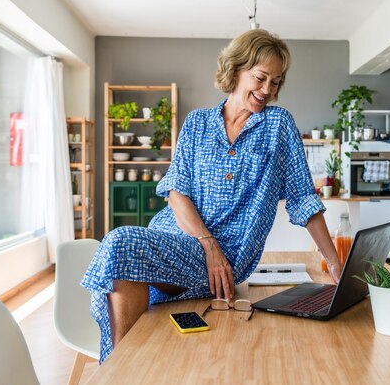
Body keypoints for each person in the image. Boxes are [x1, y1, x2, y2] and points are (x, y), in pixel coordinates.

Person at [81, 29, 343, 363]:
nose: (267, 90)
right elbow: (176, 193)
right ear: (236, 71)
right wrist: (208, 245)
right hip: (177, 238)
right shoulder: (197, 123)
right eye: (261, 78)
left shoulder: (278, 126)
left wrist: (336, 266)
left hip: (228, 257)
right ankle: (123, 369)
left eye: (276, 82)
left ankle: (118, 371)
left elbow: (303, 198)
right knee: (127, 256)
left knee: (120, 243)